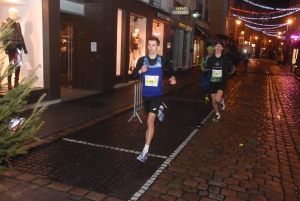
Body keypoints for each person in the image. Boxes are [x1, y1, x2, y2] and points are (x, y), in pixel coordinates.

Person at [132, 36, 176, 162]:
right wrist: (140, 71)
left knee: (150, 121)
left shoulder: (162, 60)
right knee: (150, 119)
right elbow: (133, 75)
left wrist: (173, 77)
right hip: (146, 96)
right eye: (149, 45)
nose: (151, 47)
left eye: (153, 45)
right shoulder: (142, 60)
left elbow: (171, 68)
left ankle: (145, 151)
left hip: (157, 95)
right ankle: (160, 110)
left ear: (158, 47)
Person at [201, 41, 235, 123]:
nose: (218, 48)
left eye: (220, 46)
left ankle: (221, 100)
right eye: (217, 46)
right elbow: (207, 67)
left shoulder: (225, 58)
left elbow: (233, 68)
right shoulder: (211, 59)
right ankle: (217, 114)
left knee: (217, 99)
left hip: (221, 81)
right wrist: (205, 70)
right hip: (212, 81)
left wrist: (228, 74)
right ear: (214, 48)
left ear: (222, 48)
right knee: (213, 101)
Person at [1, 8, 28, 90]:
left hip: (18, 47)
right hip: (11, 47)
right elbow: (3, 37)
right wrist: (6, 47)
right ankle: (9, 83)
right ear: (11, 14)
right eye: (16, 14)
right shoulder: (5, 23)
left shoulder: (18, 24)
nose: (17, 15)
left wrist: (24, 47)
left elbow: (21, 36)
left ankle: (16, 82)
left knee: (18, 65)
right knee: (11, 65)